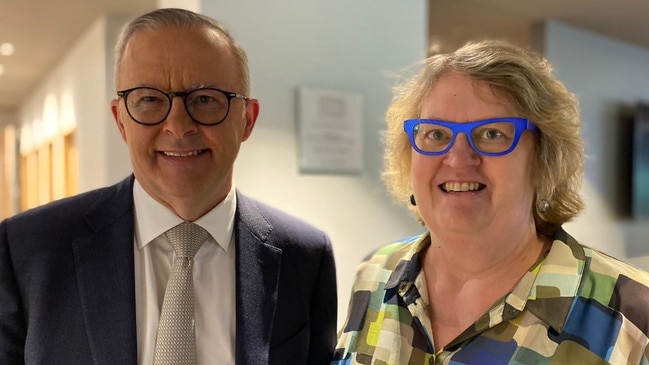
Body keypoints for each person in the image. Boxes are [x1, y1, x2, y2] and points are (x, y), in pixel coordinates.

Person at [0, 8, 337, 365]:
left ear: (247, 120)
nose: (177, 126)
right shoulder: (27, 251)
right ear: (121, 121)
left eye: (205, 99)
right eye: (149, 99)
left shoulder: (305, 257)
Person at [332, 40, 649, 364]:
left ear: (543, 159)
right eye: (436, 134)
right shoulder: (376, 275)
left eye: (492, 134)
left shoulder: (634, 314)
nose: (457, 159)